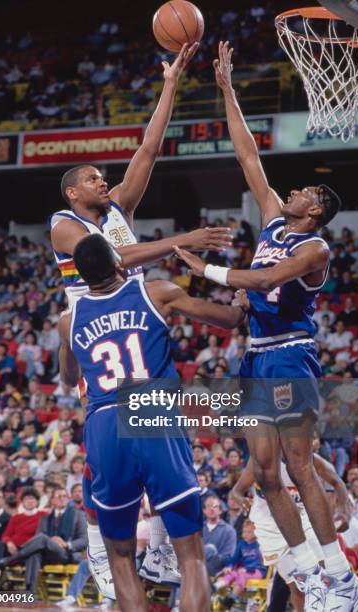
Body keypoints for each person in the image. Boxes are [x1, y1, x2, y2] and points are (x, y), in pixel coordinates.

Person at [174, 41, 358, 611]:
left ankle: (341, 578)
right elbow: (247, 157)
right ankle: (309, 570)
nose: (294, 190)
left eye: (304, 192)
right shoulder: (274, 219)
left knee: (300, 462)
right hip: (256, 356)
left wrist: (202, 268)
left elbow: (260, 284)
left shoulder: (315, 248)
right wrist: (227, 88)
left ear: (315, 210)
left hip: (291, 355)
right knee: (262, 471)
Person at [49, 43, 233, 599]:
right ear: (72, 192)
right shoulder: (63, 226)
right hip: (100, 329)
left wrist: (171, 83)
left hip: (134, 331)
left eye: (106, 179)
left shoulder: (115, 211)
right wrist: (183, 242)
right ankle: (106, 552)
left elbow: (149, 151)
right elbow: (114, 259)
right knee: (116, 459)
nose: (104, 184)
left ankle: (147, 551)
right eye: (94, 179)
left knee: (144, 449)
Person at [57, 233, 249, 612]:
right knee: (191, 556)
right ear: (118, 264)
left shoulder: (68, 320)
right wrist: (241, 302)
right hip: (149, 404)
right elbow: (229, 320)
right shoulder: (155, 291)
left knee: (121, 559)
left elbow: (67, 377)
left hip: (103, 421)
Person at [232, 454, 351, 611]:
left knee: (326, 572)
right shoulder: (259, 459)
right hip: (271, 527)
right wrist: (242, 500)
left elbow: (337, 481)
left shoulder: (309, 458)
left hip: (303, 519)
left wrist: (344, 510)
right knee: (296, 585)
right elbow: (237, 490)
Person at [0, 486, 87, 593]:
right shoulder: (45, 517)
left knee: (42, 539)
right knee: (34, 553)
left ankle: (8, 560)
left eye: (64, 496)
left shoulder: (79, 515)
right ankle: (29, 591)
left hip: (66, 553)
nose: (62, 499)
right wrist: (51, 541)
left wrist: (66, 544)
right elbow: (38, 538)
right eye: (58, 496)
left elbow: (84, 540)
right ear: (52, 500)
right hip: (48, 552)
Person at [202, 495, 237, 577]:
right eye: (209, 506)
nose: (212, 509)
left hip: (217, 569)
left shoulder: (229, 531)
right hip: (197, 567)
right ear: (204, 510)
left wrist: (211, 557)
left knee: (210, 548)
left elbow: (228, 556)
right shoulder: (197, 529)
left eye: (215, 506)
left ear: (220, 510)